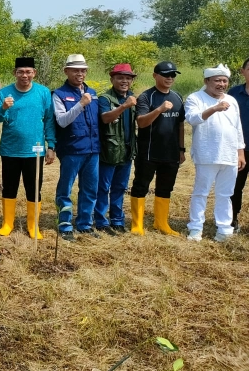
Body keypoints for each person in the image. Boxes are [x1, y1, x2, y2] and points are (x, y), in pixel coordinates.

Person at [0, 57, 55, 238]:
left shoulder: (43, 93)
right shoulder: (5, 93)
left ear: (34, 73)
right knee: (9, 187)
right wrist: (3, 108)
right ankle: (7, 223)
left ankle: (33, 225)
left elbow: (49, 120)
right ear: (14, 73)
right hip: (10, 149)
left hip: (35, 150)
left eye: (28, 72)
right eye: (20, 72)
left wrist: (51, 145)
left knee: (34, 188)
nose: (24, 75)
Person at [185, 64, 246, 242]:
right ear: (207, 81)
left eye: (224, 80)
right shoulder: (195, 98)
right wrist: (214, 108)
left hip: (230, 154)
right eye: (217, 80)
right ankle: (195, 228)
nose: (221, 84)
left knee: (226, 193)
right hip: (206, 154)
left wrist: (240, 151)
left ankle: (224, 229)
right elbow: (192, 119)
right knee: (201, 192)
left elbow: (237, 128)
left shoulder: (231, 100)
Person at [130, 61, 186, 236]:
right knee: (141, 186)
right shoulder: (147, 97)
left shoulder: (177, 97)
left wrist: (182, 149)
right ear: (155, 76)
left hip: (171, 153)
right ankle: (137, 224)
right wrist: (159, 110)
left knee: (165, 188)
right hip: (148, 152)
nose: (170, 78)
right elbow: (141, 122)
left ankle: (161, 223)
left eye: (173, 75)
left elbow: (181, 126)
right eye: (166, 74)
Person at [53, 54, 100, 241]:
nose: (80, 73)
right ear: (66, 71)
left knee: (90, 189)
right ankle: (64, 225)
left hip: (92, 149)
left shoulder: (93, 92)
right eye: (75, 70)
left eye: (83, 70)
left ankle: (84, 224)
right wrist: (80, 104)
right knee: (65, 189)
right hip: (71, 149)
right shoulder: (59, 94)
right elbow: (62, 121)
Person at [94, 64, 138, 234]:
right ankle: (100, 220)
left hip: (127, 150)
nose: (124, 81)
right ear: (112, 79)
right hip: (109, 151)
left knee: (120, 187)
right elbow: (105, 118)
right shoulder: (105, 98)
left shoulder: (133, 97)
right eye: (120, 77)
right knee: (103, 187)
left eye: (128, 78)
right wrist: (124, 106)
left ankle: (117, 220)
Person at [229, 57, 249, 232]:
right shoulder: (233, 94)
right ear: (242, 72)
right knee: (235, 187)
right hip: (239, 150)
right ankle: (232, 220)